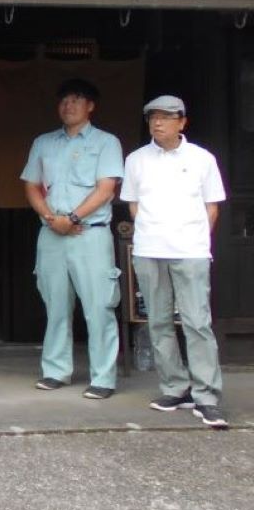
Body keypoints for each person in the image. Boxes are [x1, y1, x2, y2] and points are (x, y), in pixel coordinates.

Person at [120, 95, 228, 429]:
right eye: (153, 117)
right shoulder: (136, 160)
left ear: (182, 122)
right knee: (159, 322)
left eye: (166, 117)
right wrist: (152, 232)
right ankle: (174, 387)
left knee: (198, 321)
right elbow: (133, 204)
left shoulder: (202, 159)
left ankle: (206, 396)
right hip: (149, 248)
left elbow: (212, 206)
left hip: (191, 250)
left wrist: (193, 238)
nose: (158, 123)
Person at [21, 78, 124, 398]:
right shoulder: (43, 142)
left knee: (99, 307)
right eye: (64, 99)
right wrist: (53, 220)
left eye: (76, 99)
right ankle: (56, 370)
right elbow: (31, 186)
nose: (68, 105)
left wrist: (74, 218)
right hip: (51, 233)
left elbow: (106, 189)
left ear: (90, 106)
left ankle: (103, 377)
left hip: (89, 234)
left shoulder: (107, 142)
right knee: (56, 306)